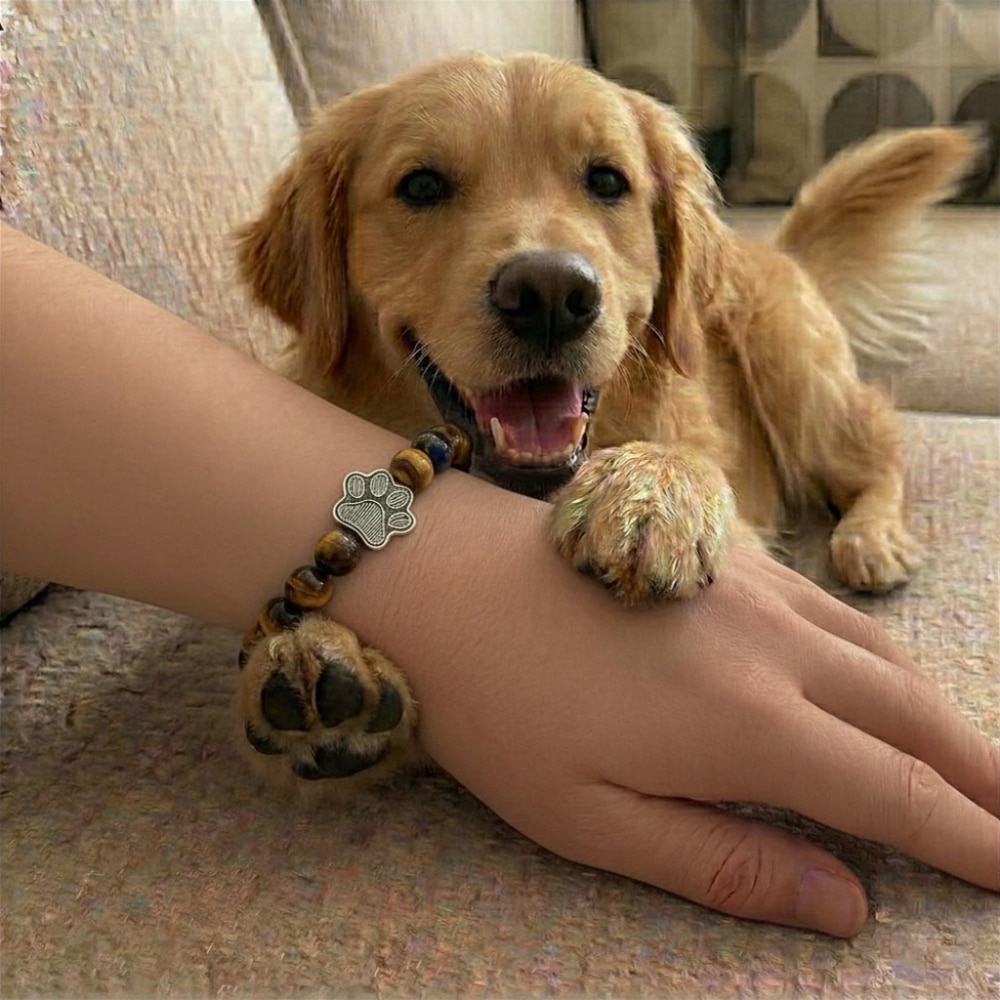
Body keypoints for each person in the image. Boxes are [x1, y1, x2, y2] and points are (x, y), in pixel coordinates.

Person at [1, 223, 997, 939]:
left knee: (799, 386)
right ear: (318, 267)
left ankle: (881, 483)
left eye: (603, 183)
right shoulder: (358, 451)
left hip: (732, 331)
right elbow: (366, 503)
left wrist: (686, 472)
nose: (545, 265)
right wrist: (406, 571)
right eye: (428, 188)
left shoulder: (689, 334)